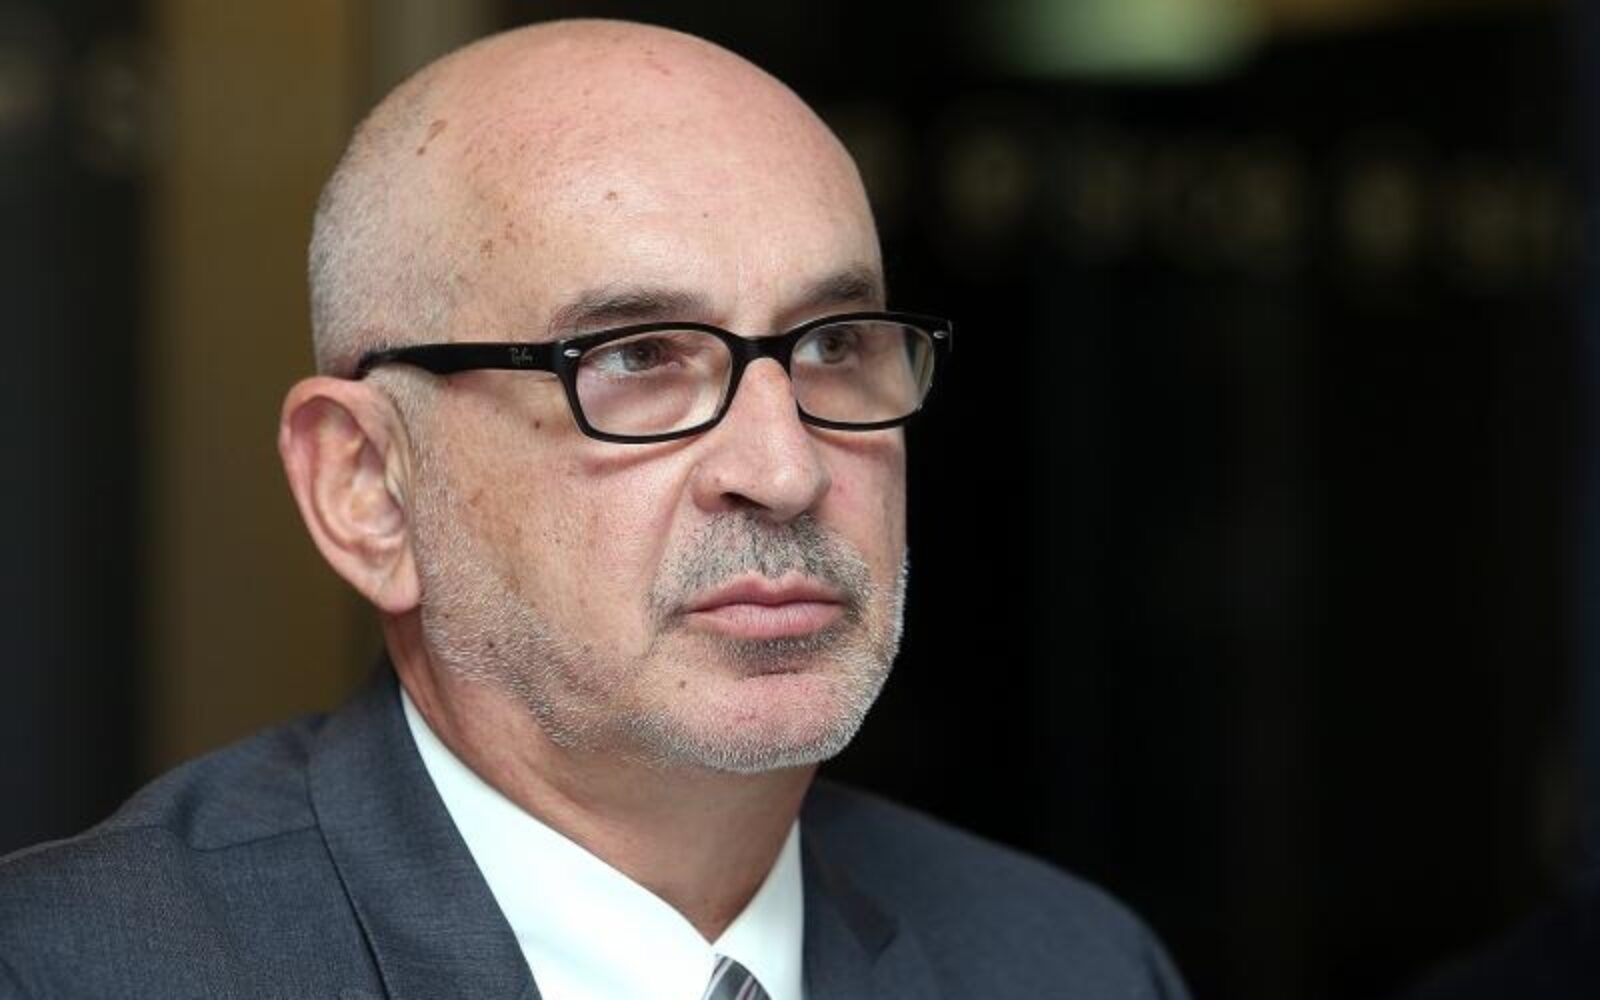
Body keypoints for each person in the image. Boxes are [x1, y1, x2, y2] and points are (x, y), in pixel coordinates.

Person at [0, 20, 1189, 1000]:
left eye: (834, 346)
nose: (784, 469)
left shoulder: (1068, 962)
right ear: (367, 489)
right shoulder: (72, 970)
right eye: (635, 357)